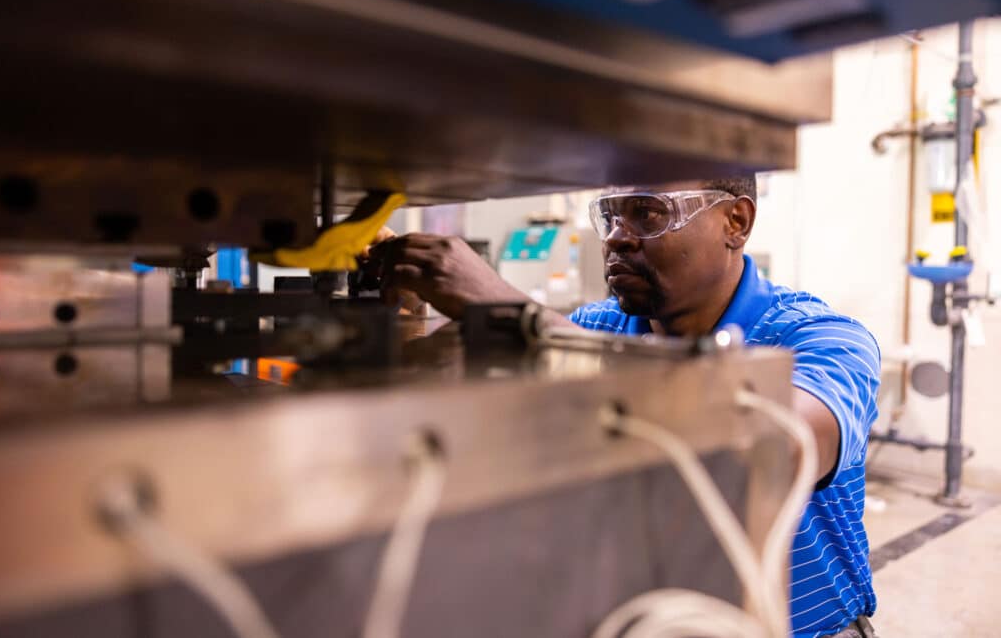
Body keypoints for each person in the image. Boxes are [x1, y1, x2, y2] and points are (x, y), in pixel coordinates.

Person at [368, 176, 880, 638]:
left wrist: (504, 307)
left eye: (649, 213)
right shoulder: (600, 327)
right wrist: (411, 322)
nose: (616, 236)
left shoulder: (820, 338)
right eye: (611, 215)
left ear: (736, 222)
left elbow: (774, 442)